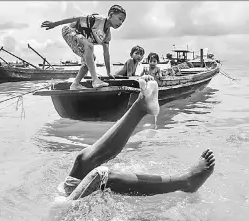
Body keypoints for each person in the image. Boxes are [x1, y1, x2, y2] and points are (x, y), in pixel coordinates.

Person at [58, 75, 216, 200]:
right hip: (61, 214)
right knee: (101, 177)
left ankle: (142, 106)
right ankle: (186, 182)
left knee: (83, 159)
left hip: (61, 198)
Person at [41, 5, 127, 90]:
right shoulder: (97, 19)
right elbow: (75, 18)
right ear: (111, 15)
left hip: (80, 39)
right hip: (69, 31)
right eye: (119, 19)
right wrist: (55, 24)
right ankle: (95, 80)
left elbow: (106, 53)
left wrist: (109, 72)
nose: (120, 23)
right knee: (89, 45)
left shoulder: (107, 35)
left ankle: (75, 84)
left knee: (90, 58)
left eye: (122, 21)